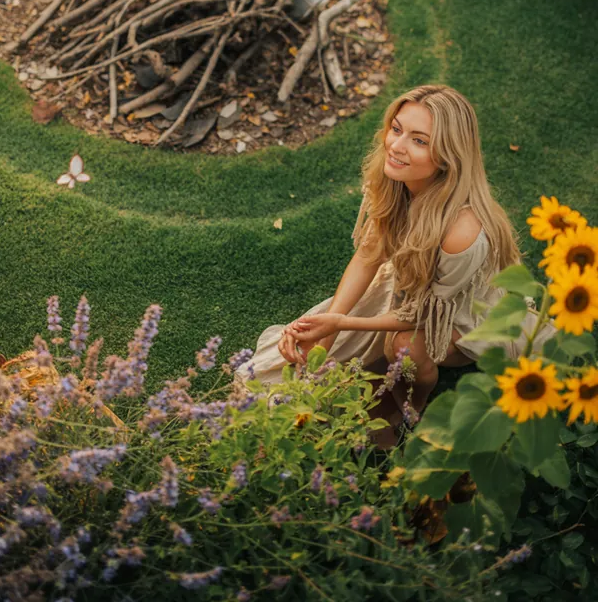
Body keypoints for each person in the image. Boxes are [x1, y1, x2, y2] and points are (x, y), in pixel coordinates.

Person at [234, 84, 555, 445]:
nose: (396, 146)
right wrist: (331, 328)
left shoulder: (462, 230)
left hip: (460, 316)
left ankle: (410, 405)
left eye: (419, 141)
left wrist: (344, 321)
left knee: (403, 347)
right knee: (302, 361)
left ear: (449, 156)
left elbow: (429, 316)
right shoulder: (395, 180)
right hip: (408, 286)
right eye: (397, 129)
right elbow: (370, 254)